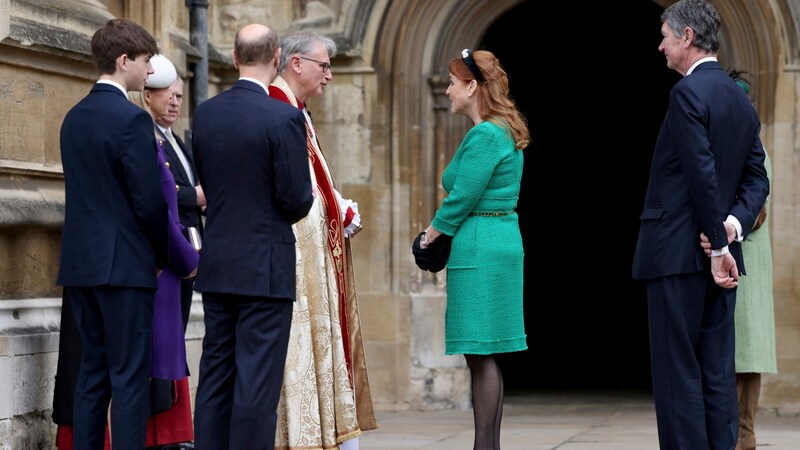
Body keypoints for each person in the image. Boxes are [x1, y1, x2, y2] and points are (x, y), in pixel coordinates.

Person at [631, 1, 770, 449]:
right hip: (722, 257)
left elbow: (700, 173)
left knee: (679, 375)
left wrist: (715, 247)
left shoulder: (686, 93)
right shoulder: (737, 96)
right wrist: (731, 228)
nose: (661, 45)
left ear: (687, 37)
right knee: (715, 371)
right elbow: (757, 178)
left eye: (666, 36)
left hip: (680, 254)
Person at [53, 53, 200, 450]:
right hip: (127, 269)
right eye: (144, 62)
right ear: (123, 61)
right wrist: (160, 257)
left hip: (82, 265)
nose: (149, 72)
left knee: (91, 378)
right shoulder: (132, 119)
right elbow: (149, 203)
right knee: (130, 381)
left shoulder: (74, 116)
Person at [190, 23, 314, 450]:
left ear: (233, 57)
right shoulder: (284, 116)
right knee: (256, 386)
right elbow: (298, 199)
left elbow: (207, 182)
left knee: (216, 377)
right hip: (265, 267)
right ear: (277, 57)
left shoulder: (205, 113)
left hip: (220, 262)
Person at [414, 48, 529, 450]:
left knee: (479, 352)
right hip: (497, 241)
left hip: (480, 245)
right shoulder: (499, 129)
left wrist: (430, 235)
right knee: (484, 352)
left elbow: (463, 195)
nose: (446, 90)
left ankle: (484, 446)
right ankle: (489, 446)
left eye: (451, 82)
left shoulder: (485, 134)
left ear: (472, 86)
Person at [267, 30, 377, 450]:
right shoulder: (279, 110)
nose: (330, 75)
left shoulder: (299, 111)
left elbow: (313, 186)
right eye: (324, 66)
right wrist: (336, 208)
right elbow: (290, 192)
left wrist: (338, 206)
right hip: (293, 259)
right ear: (296, 64)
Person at [715, 70, 777, 450]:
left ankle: (745, 434)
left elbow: (758, 209)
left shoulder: (753, 147)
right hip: (726, 257)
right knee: (728, 349)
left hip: (745, 255)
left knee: (746, 350)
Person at [143, 58, 206, 330]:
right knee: (166, 328)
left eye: (179, 96)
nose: (174, 102)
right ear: (147, 96)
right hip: (170, 243)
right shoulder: (148, 136)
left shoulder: (176, 139)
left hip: (190, 244)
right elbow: (159, 190)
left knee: (177, 326)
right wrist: (197, 197)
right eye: (167, 95)